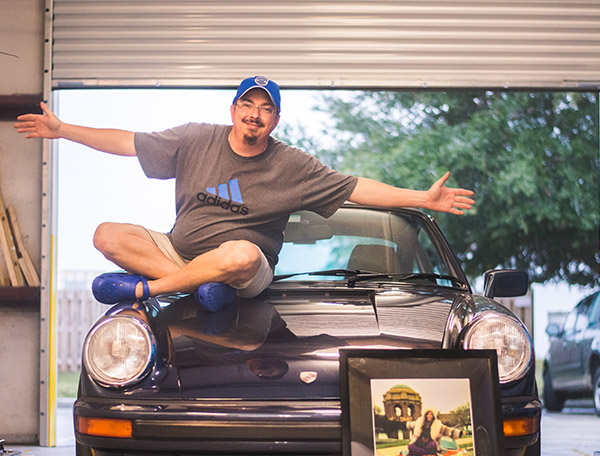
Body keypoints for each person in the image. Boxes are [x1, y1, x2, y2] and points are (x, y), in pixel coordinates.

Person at [14, 76, 475, 312]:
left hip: (243, 273)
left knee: (239, 253)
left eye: (266, 109)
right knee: (107, 234)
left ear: (275, 121)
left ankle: (148, 289)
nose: (255, 115)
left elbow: (356, 187)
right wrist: (62, 129)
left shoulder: (292, 165)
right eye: (248, 105)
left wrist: (422, 198)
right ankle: (198, 288)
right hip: (180, 251)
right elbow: (126, 141)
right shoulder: (196, 138)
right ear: (233, 109)